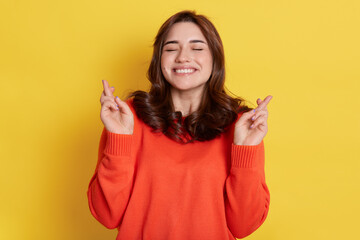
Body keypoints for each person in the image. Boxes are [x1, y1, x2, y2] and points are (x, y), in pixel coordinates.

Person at [87, 10, 272, 240]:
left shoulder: (241, 126)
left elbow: (244, 225)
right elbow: (107, 215)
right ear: (159, 60)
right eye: (171, 48)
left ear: (215, 58)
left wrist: (245, 151)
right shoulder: (126, 118)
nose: (183, 57)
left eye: (197, 48)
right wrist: (118, 139)